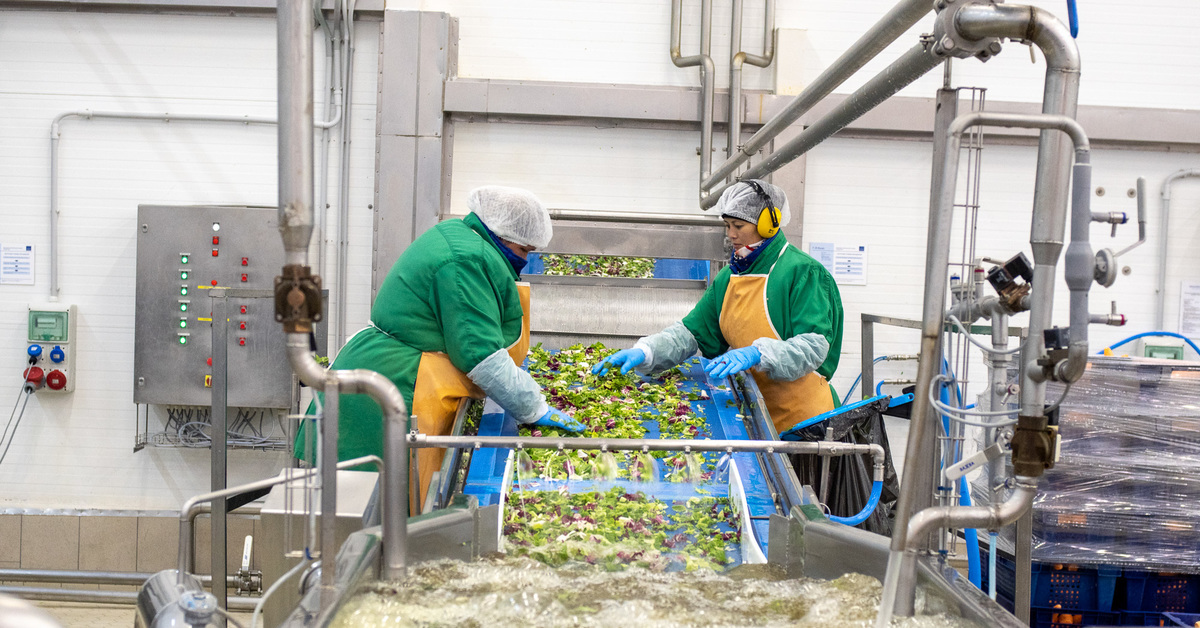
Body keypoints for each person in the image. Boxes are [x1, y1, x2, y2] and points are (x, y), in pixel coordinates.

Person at [296, 186, 584, 511]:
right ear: (502, 233)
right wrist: (534, 408)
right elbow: (481, 356)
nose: (525, 258)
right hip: (391, 387)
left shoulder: (463, 236)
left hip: (389, 377)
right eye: (523, 249)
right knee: (367, 519)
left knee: (376, 513)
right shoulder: (466, 260)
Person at [593, 179, 843, 436]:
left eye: (738, 225)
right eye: (727, 225)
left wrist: (758, 354)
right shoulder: (729, 278)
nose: (730, 234)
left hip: (803, 423)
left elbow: (814, 347)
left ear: (769, 225)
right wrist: (647, 351)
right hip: (756, 411)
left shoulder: (802, 272)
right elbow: (691, 333)